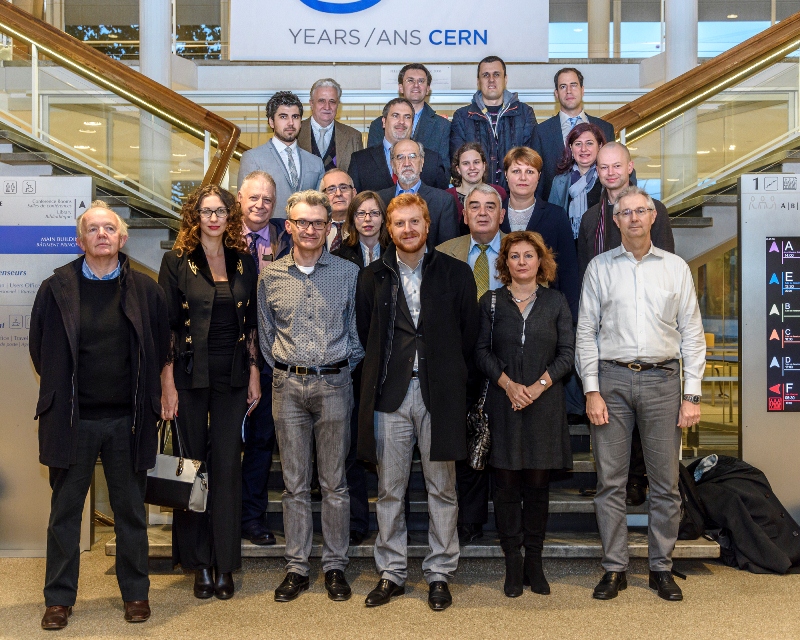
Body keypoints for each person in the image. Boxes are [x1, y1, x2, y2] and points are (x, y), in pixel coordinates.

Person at [31, 202, 169, 630]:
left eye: (110, 228)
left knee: (130, 513)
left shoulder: (146, 290)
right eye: (93, 229)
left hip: (127, 421)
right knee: (64, 515)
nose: (102, 235)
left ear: (122, 238)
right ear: (81, 239)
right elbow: (40, 348)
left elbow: (161, 344)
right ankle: (58, 600)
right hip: (73, 420)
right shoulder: (56, 288)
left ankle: (136, 594)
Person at [575, 185, 705, 602]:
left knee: (665, 483)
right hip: (610, 382)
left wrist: (693, 395)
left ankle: (660, 567)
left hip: (663, 382)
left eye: (640, 211)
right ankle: (615, 568)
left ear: (653, 217)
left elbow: (693, 336)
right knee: (610, 482)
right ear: (614, 221)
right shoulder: (599, 268)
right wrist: (591, 390)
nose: (633, 218)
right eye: (624, 212)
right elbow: (585, 334)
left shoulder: (675, 268)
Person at [356, 193, 479, 611]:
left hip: (439, 395)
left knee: (442, 488)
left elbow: (468, 337)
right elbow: (365, 332)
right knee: (389, 490)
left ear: (428, 226)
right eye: (399, 223)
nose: (408, 230)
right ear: (388, 230)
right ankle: (391, 572)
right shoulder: (373, 276)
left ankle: (440, 571)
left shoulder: (456, 273)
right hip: (390, 396)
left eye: (415, 222)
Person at [258, 190, 364, 603]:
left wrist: (335, 369)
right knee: (294, 484)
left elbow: (357, 336)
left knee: (335, 483)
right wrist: (291, 367)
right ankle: (297, 567)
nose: (310, 229)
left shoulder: (346, 274)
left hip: (336, 384)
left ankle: (335, 566)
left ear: (328, 227)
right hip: (287, 387)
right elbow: (267, 337)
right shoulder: (271, 276)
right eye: (302, 222)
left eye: (318, 223)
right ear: (289, 225)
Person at [159, 185, 262, 601]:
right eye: (207, 211)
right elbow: (166, 325)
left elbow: (252, 323)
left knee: (226, 469)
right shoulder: (176, 262)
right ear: (195, 216)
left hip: (233, 374)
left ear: (229, 217)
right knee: (192, 467)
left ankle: (224, 563)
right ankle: (198, 563)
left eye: (220, 211)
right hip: (187, 372)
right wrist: (166, 382)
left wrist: (255, 372)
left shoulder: (243, 261)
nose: (214, 218)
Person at [475, 231, 574, 598]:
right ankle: (513, 562)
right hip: (504, 405)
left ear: (540, 261)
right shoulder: (491, 302)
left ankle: (534, 559)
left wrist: (536, 387)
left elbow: (567, 353)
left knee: (536, 488)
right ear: (505, 262)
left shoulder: (556, 302)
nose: (521, 262)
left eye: (528, 255)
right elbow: (481, 352)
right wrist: (509, 385)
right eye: (514, 256)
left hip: (543, 407)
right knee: (505, 488)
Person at [577, 143, 676, 507]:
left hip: (646, 325)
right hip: (605, 325)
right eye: (603, 168)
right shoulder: (591, 217)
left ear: (630, 167)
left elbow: (665, 264)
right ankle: (610, 478)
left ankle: (636, 480)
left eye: (616, 166)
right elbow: (583, 269)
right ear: (597, 172)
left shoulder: (655, 211)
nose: (610, 173)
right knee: (603, 411)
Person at [437, 184, 505, 545]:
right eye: (473, 206)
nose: (481, 212)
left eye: (490, 206)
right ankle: (471, 521)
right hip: (460, 363)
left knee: (505, 442)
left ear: (501, 214)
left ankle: (511, 521)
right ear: (463, 214)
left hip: (510, 363)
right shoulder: (444, 252)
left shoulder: (520, 250)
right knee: (467, 442)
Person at [332, 190, 391, 545]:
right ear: (352, 220)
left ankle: (392, 523)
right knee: (351, 446)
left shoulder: (400, 254)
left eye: (374, 213)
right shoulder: (339, 257)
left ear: (383, 218)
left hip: (393, 361)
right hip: (352, 364)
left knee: (392, 446)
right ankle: (357, 521)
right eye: (361, 214)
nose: (368, 219)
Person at [237, 170, 293, 547]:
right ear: (239, 199)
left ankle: (253, 518)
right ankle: (225, 514)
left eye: (267, 200)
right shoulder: (221, 238)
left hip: (276, 355)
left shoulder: (285, 237)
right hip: (231, 355)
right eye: (253, 197)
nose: (260, 205)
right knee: (229, 444)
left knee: (262, 442)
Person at [499, 147, 580, 322]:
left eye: (529, 171)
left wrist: (570, 323)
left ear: (538, 176)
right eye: (516, 171)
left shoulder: (556, 216)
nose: (522, 177)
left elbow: (568, 273)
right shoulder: (493, 214)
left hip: (546, 315)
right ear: (506, 175)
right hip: (500, 312)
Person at [450, 56, 537, 190]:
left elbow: (531, 159)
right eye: (486, 75)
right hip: (475, 197)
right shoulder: (462, 116)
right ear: (478, 81)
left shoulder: (525, 113)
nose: (491, 79)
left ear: (505, 79)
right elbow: (458, 162)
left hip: (514, 196)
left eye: (496, 74)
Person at [533, 68, 616, 201]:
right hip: (556, 209)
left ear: (582, 90)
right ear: (556, 93)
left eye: (573, 85)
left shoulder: (605, 128)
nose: (569, 91)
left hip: (598, 208)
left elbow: (616, 167)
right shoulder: (541, 132)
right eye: (563, 87)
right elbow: (538, 178)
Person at [239, 91, 325, 216]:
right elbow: (245, 207)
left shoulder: (315, 162)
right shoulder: (252, 158)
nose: (290, 122)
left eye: (295, 117)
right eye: (283, 117)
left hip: (307, 233)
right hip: (269, 232)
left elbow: (320, 206)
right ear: (271, 122)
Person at [367, 63, 451, 176]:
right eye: (410, 80)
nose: (416, 85)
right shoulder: (378, 124)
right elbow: (372, 168)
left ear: (427, 89)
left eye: (421, 81)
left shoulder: (442, 126)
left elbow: (444, 171)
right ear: (401, 87)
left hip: (425, 192)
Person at [349, 97, 447, 192]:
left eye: (407, 117)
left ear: (412, 124)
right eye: (395, 116)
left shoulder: (432, 161)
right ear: (384, 122)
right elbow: (354, 203)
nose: (401, 121)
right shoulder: (360, 161)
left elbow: (441, 201)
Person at [376, 138, 459, 247]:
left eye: (412, 157)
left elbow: (449, 250)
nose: (407, 163)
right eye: (400, 157)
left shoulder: (443, 202)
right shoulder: (379, 200)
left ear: (422, 162)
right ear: (392, 164)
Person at [547, 122, 607, 243]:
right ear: (570, 148)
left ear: (600, 146)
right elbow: (551, 224)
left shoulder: (607, 179)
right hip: (568, 250)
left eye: (589, 143)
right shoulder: (559, 182)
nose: (583, 149)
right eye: (578, 144)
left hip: (600, 249)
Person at [297, 78, 363, 173]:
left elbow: (359, 178)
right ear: (311, 103)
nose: (327, 107)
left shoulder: (353, 136)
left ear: (338, 105)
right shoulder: (296, 132)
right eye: (321, 101)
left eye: (332, 101)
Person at [446, 142, 507, 234]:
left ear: (484, 165)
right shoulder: (446, 197)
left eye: (476, 162)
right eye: (466, 163)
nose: (472, 167)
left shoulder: (499, 192)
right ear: (458, 169)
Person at [320, 168, 357, 251]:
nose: (338, 194)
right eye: (331, 189)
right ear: (322, 196)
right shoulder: (316, 228)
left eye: (343, 187)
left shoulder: (364, 225)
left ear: (354, 193)